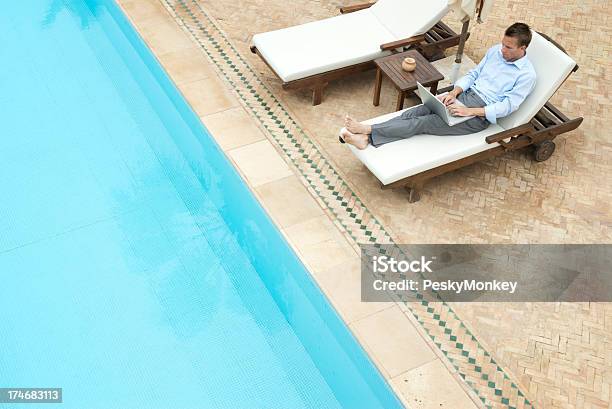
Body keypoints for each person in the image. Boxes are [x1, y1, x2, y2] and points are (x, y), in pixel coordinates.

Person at [340, 22, 537, 150]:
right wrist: (455, 91)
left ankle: (367, 130)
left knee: (423, 123)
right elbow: (474, 74)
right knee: (416, 112)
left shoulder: (526, 75)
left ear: (523, 48)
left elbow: (507, 107)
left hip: (478, 116)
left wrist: (469, 111)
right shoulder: (495, 51)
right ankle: (365, 139)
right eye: (503, 44)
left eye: (508, 47)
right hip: (463, 96)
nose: (502, 49)